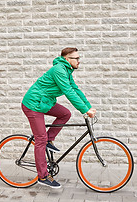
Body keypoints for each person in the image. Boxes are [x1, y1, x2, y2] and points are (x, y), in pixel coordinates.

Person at [21, 47, 96, 189]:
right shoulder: (59, 70)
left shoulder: (67, 71)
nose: (79, 61)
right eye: (77, 58)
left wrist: (88, 106)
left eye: (79, 58)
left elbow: (75, 89)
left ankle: (49, 138)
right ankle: (43, 176)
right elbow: (68, 92)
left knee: (65, 114)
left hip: (44, 103)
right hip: (32, 104)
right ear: (67, 59)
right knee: (40, 140)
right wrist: (84, 110)